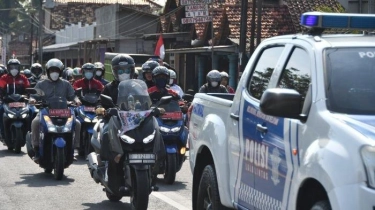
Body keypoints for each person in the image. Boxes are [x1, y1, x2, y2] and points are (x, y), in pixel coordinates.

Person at [29, 58, 82, 163]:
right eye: (52, 70)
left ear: (60, 72)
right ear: (48, 71)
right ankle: (36, 147)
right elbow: (34, 96)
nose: (54, 73)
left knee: (77, 123)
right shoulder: (41, 84)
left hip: (63, 112)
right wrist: (33, 100)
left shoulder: (66, 84)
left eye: (57, 71)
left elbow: (73, 96)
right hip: (46, 111)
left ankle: (75, 148)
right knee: (35, 122)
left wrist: (77, 100)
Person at [0, 59, 30, 144]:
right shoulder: (4, 78)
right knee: (1, 110)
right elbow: (1, 89)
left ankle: (29, 134)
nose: (14, 69)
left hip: (21, 102)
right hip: (7, 102)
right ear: (8, 68)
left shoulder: (23, 78)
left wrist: (27, 96)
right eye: (12, 67)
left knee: (31, 111)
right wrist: (3, 96)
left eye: (16, 67)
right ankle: (2, 134)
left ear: (19, 68)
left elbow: (28, 89)